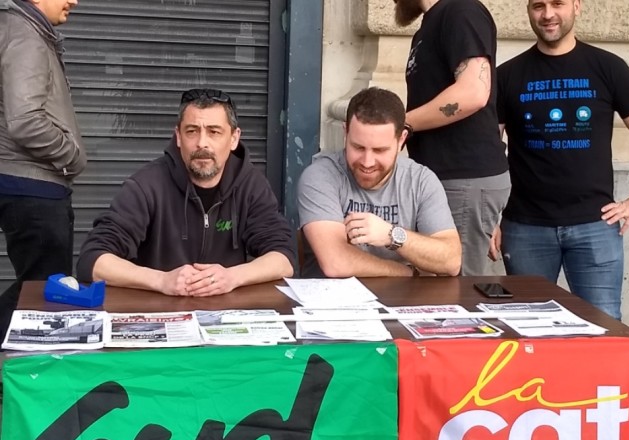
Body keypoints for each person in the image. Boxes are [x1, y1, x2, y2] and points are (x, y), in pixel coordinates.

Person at [490, 0, 629, 320]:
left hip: (595, 226)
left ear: (576, 6)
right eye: (538, 6)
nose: (547, 14)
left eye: (557, 3)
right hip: (524, 228)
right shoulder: (507, 75)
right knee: (529, 328)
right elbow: (488, 150)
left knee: (603, 330)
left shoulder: (608, 68)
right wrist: (490, 215)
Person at [77, 88, 295, 296]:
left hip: (226, 316)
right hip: (158, 313)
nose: (202, 143)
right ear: (178, 137)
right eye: (192, 131)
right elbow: (93, 260)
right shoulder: (147, 185)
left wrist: (232, 277)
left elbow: (284, 258)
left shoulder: (250, 185)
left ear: (234, 138)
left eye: (214, 132)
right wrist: (161, 281)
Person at [394, 0, 510, 276]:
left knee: (458, 291)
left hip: (462, 178)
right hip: (452, 181)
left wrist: (401, 126)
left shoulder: (461, 11)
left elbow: (474, 93)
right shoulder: (431, 24)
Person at [297, 87, 461, 278]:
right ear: (346, 133)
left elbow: (451, 261)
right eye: (358, 147)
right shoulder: (320, 175)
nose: (367, 162)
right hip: (332, 302)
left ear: (401, 141)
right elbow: (336, 263)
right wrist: (405, 272)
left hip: (401, 302)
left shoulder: (420, 180)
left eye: (379, 150)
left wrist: (392, 235)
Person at [0, 0, 86, 339]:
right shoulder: (26, 36)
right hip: (33, 187)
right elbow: (26, 122)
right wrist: (71, 156)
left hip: (25, 183)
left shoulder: (24, 30)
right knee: (42, 292)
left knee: (35, 287)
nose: (74, 1)